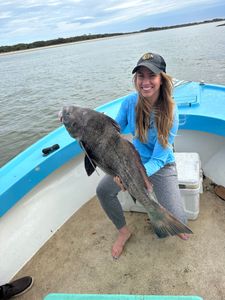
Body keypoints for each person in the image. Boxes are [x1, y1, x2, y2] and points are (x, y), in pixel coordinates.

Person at [96, 52, 190, 259]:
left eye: (151, 76)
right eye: (141, 76)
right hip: (133, 161)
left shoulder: (171, 112)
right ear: (135, 79)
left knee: (180, 225)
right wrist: (89, 127)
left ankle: (165, 211)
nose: (145, 82)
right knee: (103, 191)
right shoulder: (129, 103)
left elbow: (159, 158)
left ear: (162, 79)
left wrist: (132, 179)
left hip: (161, 164)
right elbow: (115, 130)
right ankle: (123, 231)